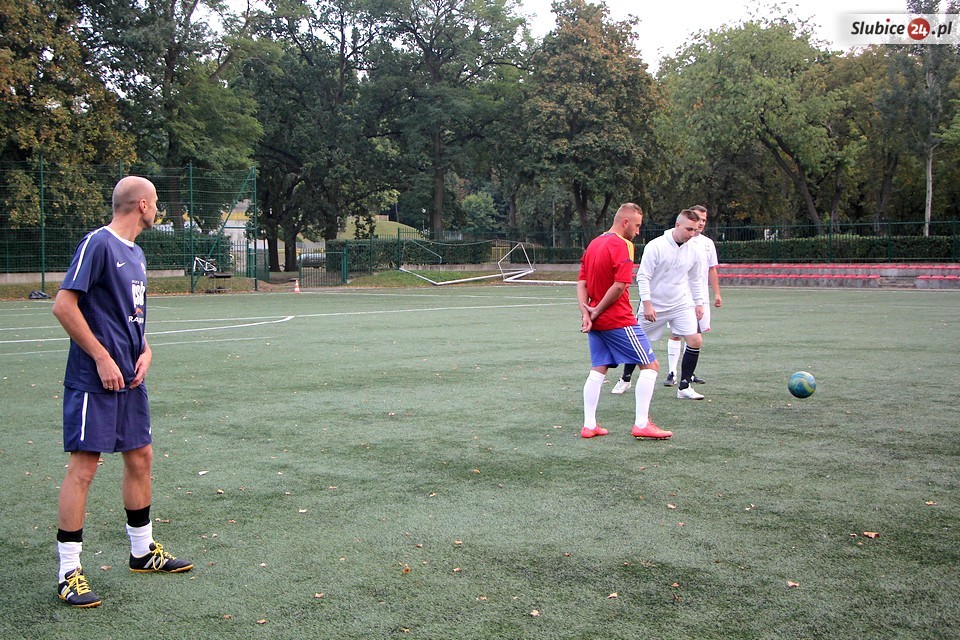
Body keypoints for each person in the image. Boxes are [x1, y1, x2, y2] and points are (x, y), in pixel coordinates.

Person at [52, 176, 193, 609]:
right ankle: (68, 572)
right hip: (94, 379)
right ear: (143, 205)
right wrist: (101, 357)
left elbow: (130, 316)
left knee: (140, 456)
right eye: (156, 203)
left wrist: (145, 350)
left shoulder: (137, 253)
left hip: (130, 379)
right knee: (84, 468)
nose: (158, 210)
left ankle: (142, 550)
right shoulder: (98, 243)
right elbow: (63, 305)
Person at [577, 203, 673, 440]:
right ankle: (641, 424)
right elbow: (620, 285)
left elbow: (581, 281)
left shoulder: (594, 243)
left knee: (598, 368)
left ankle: (589, 425)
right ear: (625, 222)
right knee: (651, 366)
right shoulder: (623, 244)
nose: (638, 232)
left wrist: (586, 312)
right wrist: (596, 310)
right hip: (618, 319)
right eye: (637, 226)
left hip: (597, 321)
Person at [614, 209, 706, 400]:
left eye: (695, 230)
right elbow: (643, 276)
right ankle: (626, 378)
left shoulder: (695, 249)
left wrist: (698, 303)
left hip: (681, 304)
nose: (691, 234)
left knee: (695, 340)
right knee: (638, 341)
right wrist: (647, 304)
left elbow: (695, 278)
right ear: (677, 225)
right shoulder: (656, 246)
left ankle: (684, 386)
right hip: (655, 305)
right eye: (688, 229)